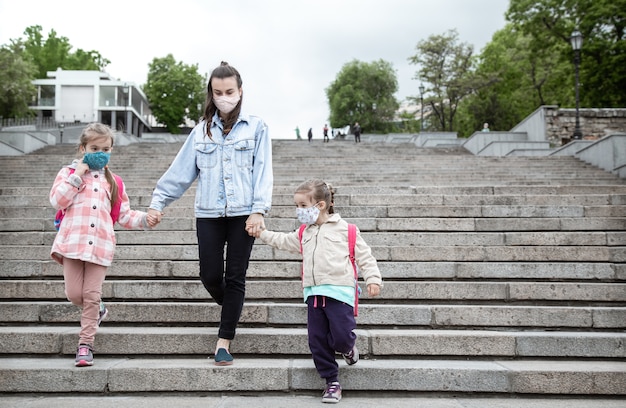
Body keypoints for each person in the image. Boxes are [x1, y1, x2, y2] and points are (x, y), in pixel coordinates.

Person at [147, 61, 273, 366]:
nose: (224, 96)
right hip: (208, 213)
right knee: (210, 274)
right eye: (218, 92)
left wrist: (258, 210)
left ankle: (223, 340)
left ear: (240, 91)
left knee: (235, 277)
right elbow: (180, 172)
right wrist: (157, 202)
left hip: (244, 213)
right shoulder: (200, 132)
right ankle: (234, 306)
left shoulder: (257, 127)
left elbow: (263, 172)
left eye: (229, 91)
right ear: (211, 93)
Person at [251, 179, 382, 403]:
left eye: (303, 206)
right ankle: (331, 382)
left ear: (320, 205)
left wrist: (373, 279)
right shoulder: (304, 232)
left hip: (340, 293)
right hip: (313, 294)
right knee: (317, 340)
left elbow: (365, 256)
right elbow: (283, 240)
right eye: (297, 205)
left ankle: (348, 349)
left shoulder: (347, 229)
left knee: (342, 337)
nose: (298, 210)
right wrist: (262, 233)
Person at [49, 122, 154, 367]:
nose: (100, 153)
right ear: (83, 148)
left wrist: (145, 220)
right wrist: (78, 175)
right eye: (94, 148)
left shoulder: (114, 181)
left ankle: (85, 345)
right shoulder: (68, 174)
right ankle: (99, 309)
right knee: (75, 295)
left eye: (105, 149)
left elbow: (123, 215)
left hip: (100, 246)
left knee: (91, 295)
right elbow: (57, 200)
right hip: (72, 243)